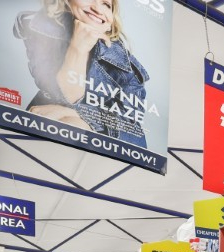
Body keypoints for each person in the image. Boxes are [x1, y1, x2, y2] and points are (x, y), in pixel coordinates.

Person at [15, 0, 150, 147]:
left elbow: (129, 128)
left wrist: (78, 115)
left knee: (72, 125)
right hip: (51, 123)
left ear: (110, 22)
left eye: (106, 4)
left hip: (116, 146)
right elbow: (59, 95)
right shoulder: (41, 30)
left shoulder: (128, 69)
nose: (98, 9)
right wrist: (78, 48)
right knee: (66, 125)